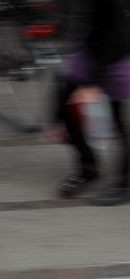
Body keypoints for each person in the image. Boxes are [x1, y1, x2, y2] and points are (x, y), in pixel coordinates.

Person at [54, 0, 130, 205]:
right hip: (91, 49)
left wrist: (92, 82)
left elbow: (116, 31)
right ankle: (88, 169)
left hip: (115, 55)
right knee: (64, 110)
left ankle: (124, 184)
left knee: (118, 123)